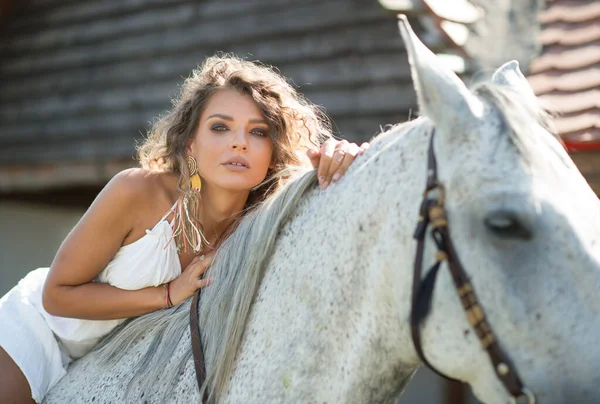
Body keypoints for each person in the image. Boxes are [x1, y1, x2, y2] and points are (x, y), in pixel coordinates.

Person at [0, 54, 369, 403]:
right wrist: (167, 295)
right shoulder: (139, 191)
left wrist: (342, 160)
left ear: (272, 152)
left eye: (258, 133)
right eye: (220, 127)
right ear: (191, 144)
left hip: (123, 365)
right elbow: (57, 295)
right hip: (42, 332)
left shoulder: (258, 225)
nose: (239, 141)